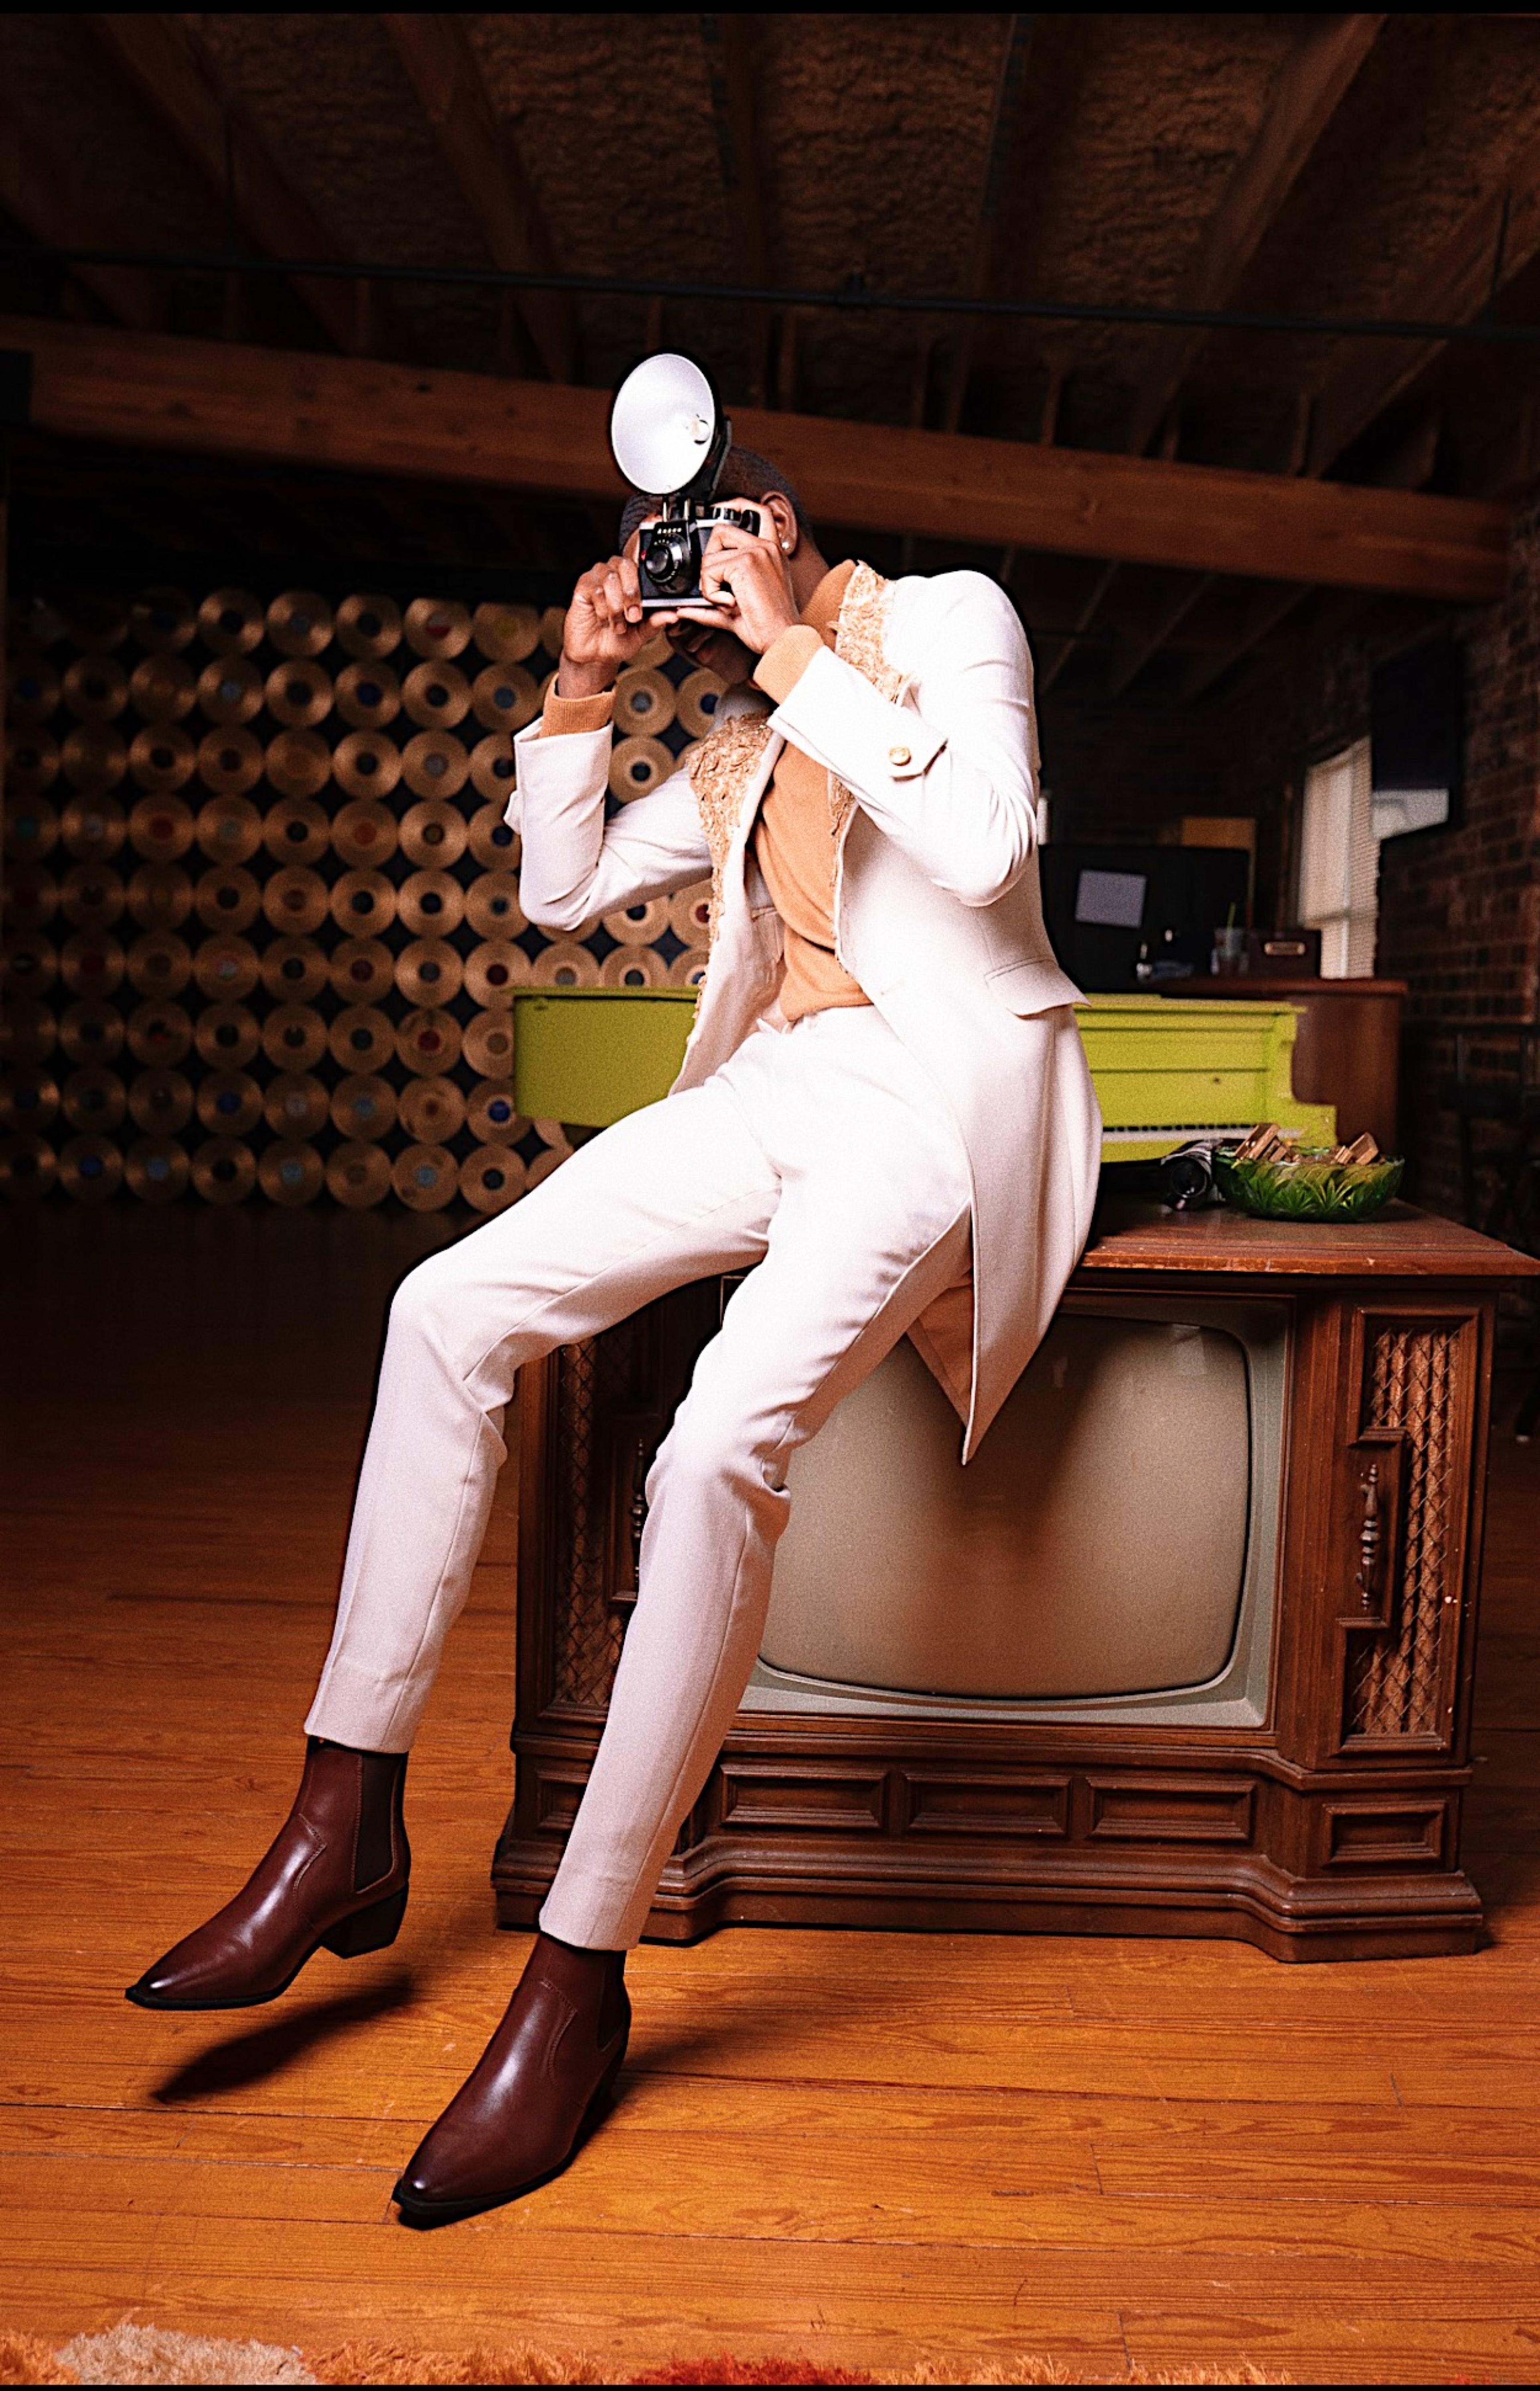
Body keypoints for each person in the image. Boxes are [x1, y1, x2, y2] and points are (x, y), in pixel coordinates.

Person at [126, 445, 1100, 2227]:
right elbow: (555, 890)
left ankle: (577, 1978)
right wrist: (581, 686)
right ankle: (345, 1814)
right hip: (787, 1081)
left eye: (723, 543)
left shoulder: (956, 622)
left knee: (719, 1439)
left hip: (932, 1104)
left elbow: (980, 841)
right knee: (443, 1308)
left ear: (783, 534)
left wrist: (795, 646)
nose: (697, 578)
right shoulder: (737, 745)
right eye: (676, 559)